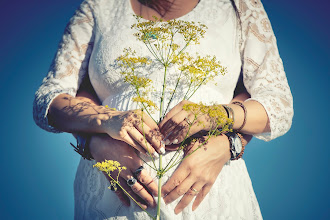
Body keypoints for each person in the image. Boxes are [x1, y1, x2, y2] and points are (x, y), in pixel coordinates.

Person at [33, 0, 293, 219]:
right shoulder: (99, 7)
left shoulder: (239, 6)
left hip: (208, 196)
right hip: (112, 196)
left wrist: (224, 132)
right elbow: (49, 98)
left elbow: (277, 105)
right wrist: (102, 129)